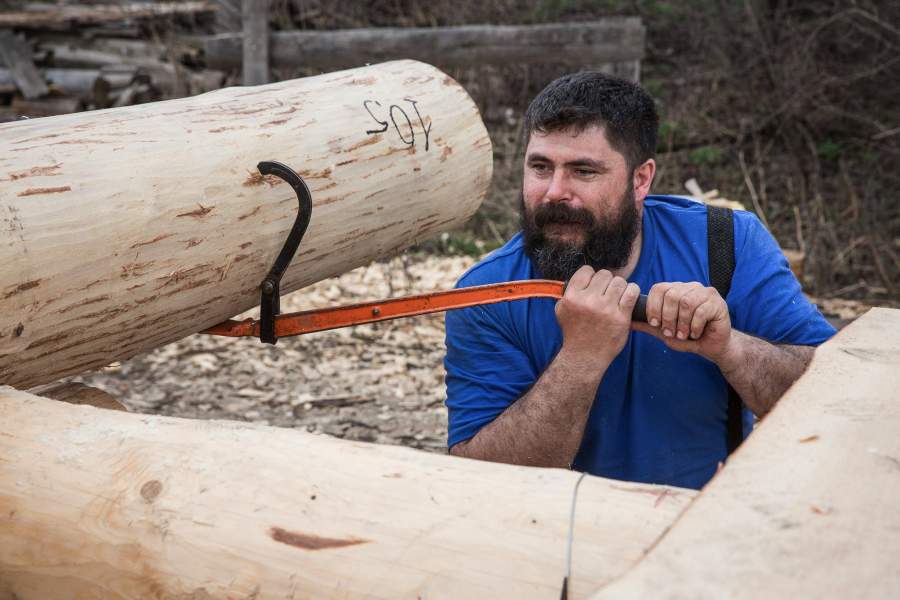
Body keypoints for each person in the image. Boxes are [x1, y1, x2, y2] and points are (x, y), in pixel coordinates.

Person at [443, 71, 836, 490]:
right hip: (552, 538)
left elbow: (838, 401)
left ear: (641, 179)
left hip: (700, 528)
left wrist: (730, 347)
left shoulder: (726, 244)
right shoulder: (486, 292)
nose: (555, 191)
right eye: (540, 167)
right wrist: (580, 358)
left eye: (583, 171)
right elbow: (477, 481)